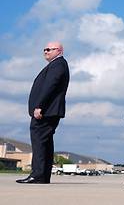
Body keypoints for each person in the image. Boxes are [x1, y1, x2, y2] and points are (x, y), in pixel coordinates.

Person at [17, 42, 70, 184]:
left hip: (46, 111)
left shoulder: (58, 64)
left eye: (49, 49)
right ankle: (43, 175)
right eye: (44, 49)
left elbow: (50, 86)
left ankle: (38, 174)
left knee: (39, 141)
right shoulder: (56, 64)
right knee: (45, 142)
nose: (45, 52)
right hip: (49, 110)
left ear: (59, 51)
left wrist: (40, 105)